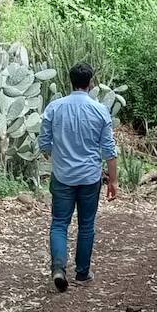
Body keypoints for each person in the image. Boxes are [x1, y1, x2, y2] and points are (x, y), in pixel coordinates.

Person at [38, 62, 118, 292]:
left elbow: (44, 143)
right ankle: (82, 273)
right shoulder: (100, 110)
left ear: (69, 81)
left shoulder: (54, 108)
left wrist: (58, 155)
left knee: (60, 223)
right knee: (86, 225)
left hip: (62, 176)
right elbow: (109, 150)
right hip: (90, 177)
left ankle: (59, 269)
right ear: (90, 82)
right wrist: (113, 181)